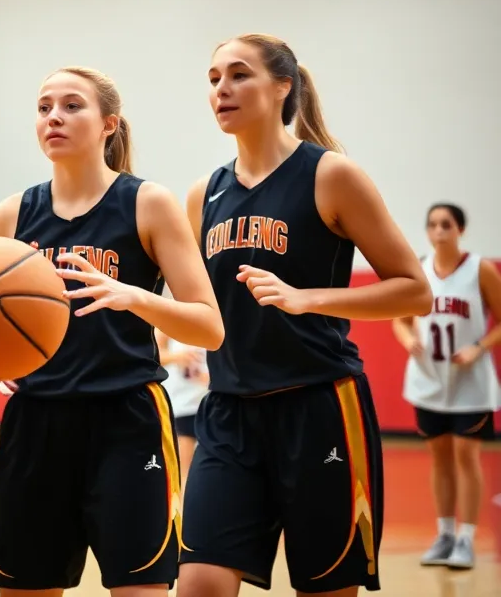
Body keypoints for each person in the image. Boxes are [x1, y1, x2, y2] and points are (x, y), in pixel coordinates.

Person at [178, 33, 434, 596]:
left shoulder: (330, 175)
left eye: (239, 74)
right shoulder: (203, 196)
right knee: (198, 583)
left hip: (318, 405)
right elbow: (191, 304)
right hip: (227, 414)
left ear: (282, 87)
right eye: (214, 77)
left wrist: (308, 297)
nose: (222, 88)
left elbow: (415, 291)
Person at [0, 66, 223, 597]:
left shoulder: (147, 203)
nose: (54, 118)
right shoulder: (11, 214)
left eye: (72, 106)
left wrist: (132, 295)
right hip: (35, 422)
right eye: (44, 108)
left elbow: (210, 326)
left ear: (109, 123)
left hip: (127, 420)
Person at [394, 202, 501, 570]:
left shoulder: (479, 269)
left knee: (467, 458)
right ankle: (444, 534)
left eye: (447, 224)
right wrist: (407, 338)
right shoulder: (419, 270)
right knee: (439, 460)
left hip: (470, 384)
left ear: (460, 231)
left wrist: (478, 347)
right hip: (428, 382)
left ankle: (467, 539)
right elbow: (400, 320)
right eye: (433, 224)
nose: (439, 230)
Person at [157, 324, 209, 487]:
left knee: (210, 466)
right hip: (182, 405)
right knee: (182, 471)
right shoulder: (168, 322)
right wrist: (178, 357)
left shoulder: (214, 319)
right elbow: (154, 355)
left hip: (209, 404)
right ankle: (184, 509)